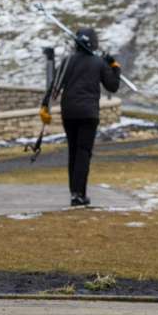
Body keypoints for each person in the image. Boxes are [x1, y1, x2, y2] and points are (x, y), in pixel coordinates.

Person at [44, 27, 121, 207]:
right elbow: (113, 86)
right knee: (83, 153)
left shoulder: (67, 61)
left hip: (69, 113)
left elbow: (54, 85)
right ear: (93, 44)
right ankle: (79, 194)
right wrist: (115, 67)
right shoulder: (99, 63)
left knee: (73, 151)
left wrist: (44, 106)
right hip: (89, 114)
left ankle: (75, 193)